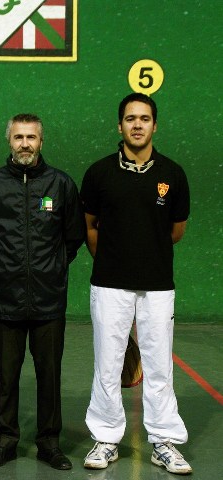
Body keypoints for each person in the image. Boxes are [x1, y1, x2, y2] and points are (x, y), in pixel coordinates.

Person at [80, 93, 192, 475]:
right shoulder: (99, 173)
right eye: (130, 118)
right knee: (108, 365)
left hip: (158, 285)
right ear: (120, 126)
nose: (138, 124)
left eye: (145, 118)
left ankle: (164, 441)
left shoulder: (173, 174)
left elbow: (175, 231)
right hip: (110, 284)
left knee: (159, 365)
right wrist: (115, 261)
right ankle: (106, 438)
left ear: (155, 125)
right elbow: (90, 228)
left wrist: (147, 257)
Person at [0, 113, 85, 470]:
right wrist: (4, 268)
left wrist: (49, 269)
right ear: (9, 141)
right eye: (18, 137)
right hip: (4, 298)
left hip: (49, 300)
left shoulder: (61, 184)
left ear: (41, 141)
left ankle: (49, 443)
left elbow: (73, 237)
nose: (25, 144)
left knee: (49, 373)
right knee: (7, 375)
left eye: (31, 137)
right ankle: (6, 441)